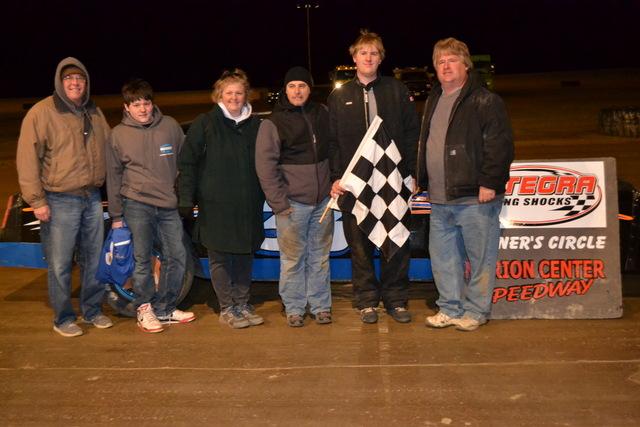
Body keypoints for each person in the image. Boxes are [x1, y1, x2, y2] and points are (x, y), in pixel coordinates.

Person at [417, 37, 514, 331]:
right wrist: (420, 177)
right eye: (440, 61)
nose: (446, 66)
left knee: (480, 258)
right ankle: (449, 308)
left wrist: (490, 182)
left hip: (475, 197)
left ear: (466, 65)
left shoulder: (485, 100)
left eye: (452, 60)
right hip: (439, 198)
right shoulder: (434, 98)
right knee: (443, 258)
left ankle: (476, 311)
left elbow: (500, 145)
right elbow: (428, 142)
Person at [16, 57, 112, 337]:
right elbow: (27, 159)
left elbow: (110, 147)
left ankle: (92, 311)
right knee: (60, 264)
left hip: (91, 197)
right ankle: (63, 318)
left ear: (86, 83)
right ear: (60, 82)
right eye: (69, 78)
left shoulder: (93, 111)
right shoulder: (41, 112)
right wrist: (37, 201)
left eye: (80, 79)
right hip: (59, 200)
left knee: (93, 259)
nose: (75, 83)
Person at [328, 31, 419, 324]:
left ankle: (396, 299)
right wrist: (336, 177)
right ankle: (366, 300)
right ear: (354, 58)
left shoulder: (396, 90)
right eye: (363, 53)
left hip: (393, 182)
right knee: (360, 246)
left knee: (396, 241)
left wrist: (411, 173)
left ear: (381, 58)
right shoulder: (339, 96)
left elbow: (412, 133)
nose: (368, 58)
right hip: (355, 184)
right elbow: (332, 142)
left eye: (374, 53)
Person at [106, 78, 196, 334]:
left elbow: (185, 163)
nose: (142, 109)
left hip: (168, 204)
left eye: (146, 103)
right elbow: (113, 176)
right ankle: (144, 309)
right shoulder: (118, 135)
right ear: (126, 107)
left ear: (152, 104)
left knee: (177, 255)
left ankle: (165, 308)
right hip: (136, 204)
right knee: (142, 259)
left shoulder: (169, 126)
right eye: (136, 105)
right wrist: (116, 215)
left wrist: (184, 195)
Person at [178, 69, 265, 329]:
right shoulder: (205, 123)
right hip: (216, 205)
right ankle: (227, 307)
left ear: (246, 95)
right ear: (219, 95)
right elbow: (188, 163)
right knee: (220, 258)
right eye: (229, 93)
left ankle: (242, 303)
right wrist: (186, 198)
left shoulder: (256, 125)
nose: (234, 97)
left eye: (239, 93)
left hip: (247, 204)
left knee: (244, 255)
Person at [256, 66, 333, 327]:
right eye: (292, 86)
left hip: (323, 202)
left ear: (310, 89)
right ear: (285, 90)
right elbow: (265, 166)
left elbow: (334, 150)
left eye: (302, 86)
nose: (297, 91)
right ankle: (294, 307)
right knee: (292, 259)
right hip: (292, 205)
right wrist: (279, 202)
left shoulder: (322, 113)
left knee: (319, 257)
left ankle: (321, 306)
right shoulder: (273, 122)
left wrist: (332, 187)